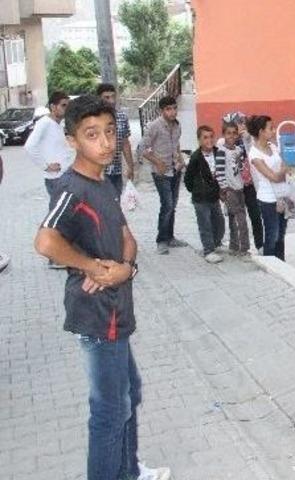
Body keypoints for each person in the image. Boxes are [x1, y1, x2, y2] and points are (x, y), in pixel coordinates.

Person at [33, 95, 170, 480]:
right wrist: (92, 266)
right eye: (92, 134)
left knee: (132, 394)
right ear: (72, 140)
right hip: (98, 318)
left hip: (117, 307)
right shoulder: (71, 188)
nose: (106, 142)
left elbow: (128, 239)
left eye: (109, 132)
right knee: (110, 411)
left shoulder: (103, 183)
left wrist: (125, 269)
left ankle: (128, 470)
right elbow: (45, 242)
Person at [24, 91, 73, 268]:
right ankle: (54, 256)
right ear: (53, 107)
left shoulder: (58, 125)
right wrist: (46, 165)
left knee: (63, 216)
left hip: (64, 176)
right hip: (54, 178)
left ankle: (62, 254)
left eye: (68, 105)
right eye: (63, 105)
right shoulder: (45, 123)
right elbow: (29, 147)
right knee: (57, 217)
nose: (66, 109)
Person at [140, 96, 187, 255]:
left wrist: (180, 158)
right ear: (161, 111)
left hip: (175, 169)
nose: (172, 112)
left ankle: (170, 237)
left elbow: (177, 144)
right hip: (161, 172)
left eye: (174, 108)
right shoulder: (154, 127)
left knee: (172, 206)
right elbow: (141, 149)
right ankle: (161, 240)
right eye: (168, 109)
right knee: (166, 205)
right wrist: (157, 162)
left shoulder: (177, 126)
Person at [218, 113, 264, 253]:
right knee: (236, 217)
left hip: (248, 184)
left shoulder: (247, 139)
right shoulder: (222, 143)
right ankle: (237, 245)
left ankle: (260, 245)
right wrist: (223, 188)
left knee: (255, 214)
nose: (243, 125)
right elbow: (221, 167)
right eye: (240, 122)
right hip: (233, 186)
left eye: (244, 122)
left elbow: (253, 157)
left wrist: (248, 140)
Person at [247, 115, 289, 260]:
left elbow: (284, 165)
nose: (273, 131)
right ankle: (270, 261)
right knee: (272, 233)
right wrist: (284, 172)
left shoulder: (273, 147)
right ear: (261, 132)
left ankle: (281, 261)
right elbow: (274, 176)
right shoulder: (255, 154)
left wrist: (283, 171)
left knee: (282, 233)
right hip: (267, 198)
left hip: (282, 194)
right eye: (270, 128)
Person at [184, 125, 226, 263]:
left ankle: (216, 242)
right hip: (200, 198)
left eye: (211, 137)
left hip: (214, 196)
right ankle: (208, 250)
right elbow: (188, 178)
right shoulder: (196, 157)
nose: (209, 140)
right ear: (199, 140)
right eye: (205, 137)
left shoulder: (218, 152)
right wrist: (196, 190)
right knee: (205, 224)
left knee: (219, 222)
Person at [214, 122, 251, 257]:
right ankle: (244, 248)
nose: (232, 136)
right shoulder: (221, 152)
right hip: (229, 189)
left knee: (234, 218)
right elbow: (219, 172)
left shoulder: (238, 150)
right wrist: (224, 189)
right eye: (228, 133)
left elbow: (240, 168)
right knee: (239, 218)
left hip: (239, 188)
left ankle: (234, 246)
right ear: (224, 134)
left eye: (234, 133)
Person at [96, 83, 134, 194]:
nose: (111, 101)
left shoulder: (121, 117)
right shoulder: (92, 119)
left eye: (113, 96)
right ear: (99, 99)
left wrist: (130, 166)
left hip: (117, 171)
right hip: (98, 171)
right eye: (107, 97)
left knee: (116, 204)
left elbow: (125, 144)